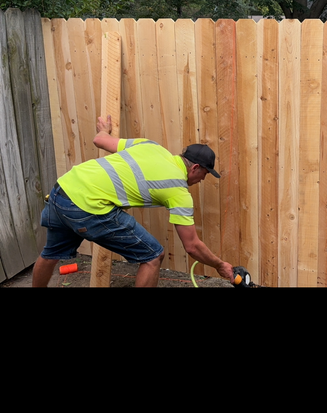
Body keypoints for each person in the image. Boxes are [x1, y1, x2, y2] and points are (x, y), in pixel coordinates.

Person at [32, 115, 235, 288]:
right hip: (89, 207)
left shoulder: (150, 146)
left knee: (50, 253)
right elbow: (192, 246)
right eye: (205, 174)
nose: (202, 180)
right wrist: (219, 265)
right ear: (195, 168)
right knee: (153, 256)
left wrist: (104, 130)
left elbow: (100, 141)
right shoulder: (178, 189)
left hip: (63, 189)